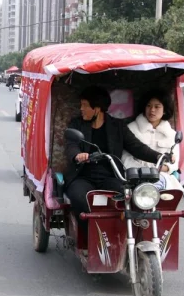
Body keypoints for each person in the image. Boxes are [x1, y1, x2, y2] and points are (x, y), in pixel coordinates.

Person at [65, 86, 165, 248]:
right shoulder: (76, 124)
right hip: (82, 176)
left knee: (128, 196)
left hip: (111, 175)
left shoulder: (117, 126)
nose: (81, 109)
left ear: (97, 108)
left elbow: (136, 146)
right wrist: (77, 155)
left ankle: (121, 238)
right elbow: (71, 145)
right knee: (79, 198)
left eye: (84, 105)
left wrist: (158, 156)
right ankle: (88, 240)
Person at [122, 89, 184, 191]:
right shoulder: (131, 129)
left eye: (157, 106)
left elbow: (174, 162)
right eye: (149, 106)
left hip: (162, 177)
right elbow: (125, 158)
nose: (152, 110)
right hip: (134, 177)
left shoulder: (171, 134)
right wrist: (143, 171)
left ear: (164, 110)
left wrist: (164, 168)